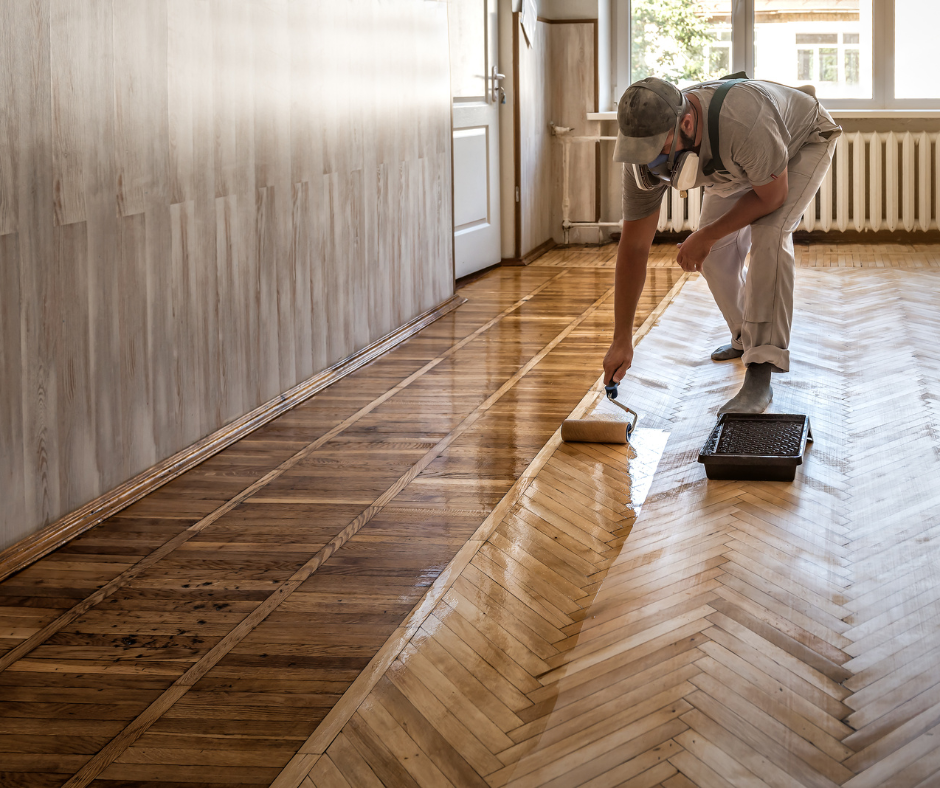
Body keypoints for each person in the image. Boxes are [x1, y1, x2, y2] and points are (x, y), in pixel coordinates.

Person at [602, 75, 841, 413]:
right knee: (713, 256)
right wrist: (621, 338)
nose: (651, 163)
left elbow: (772, 197)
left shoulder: (743, 120)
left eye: (659, 149)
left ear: (686, 122)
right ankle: (746, 337)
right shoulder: (640, 156)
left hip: (801, 140)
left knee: (770, 234)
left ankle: (761, 370)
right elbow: (634, 248)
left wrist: (706, 234)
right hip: (738, 160)